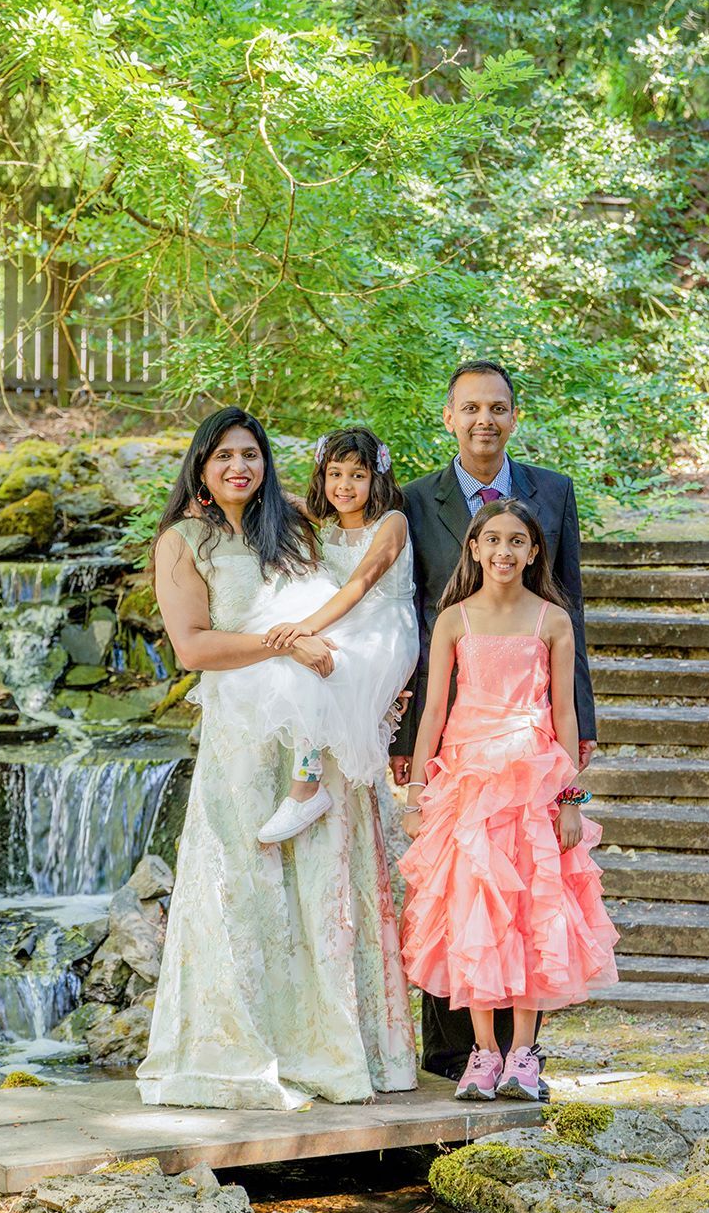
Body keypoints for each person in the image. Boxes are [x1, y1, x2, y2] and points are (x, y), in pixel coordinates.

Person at [136, 407, 417, 1111]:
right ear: (201, 466)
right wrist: (291, 644)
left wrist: (377, 682)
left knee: (323, 886)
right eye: (225, 455)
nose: (240, 467)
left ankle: (334, 1054)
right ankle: (241, 1050)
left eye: (251, 455)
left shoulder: (292, 525)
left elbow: (351, 602)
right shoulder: (182, 541)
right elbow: (194, 648)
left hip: (313, 732)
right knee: (244, 880)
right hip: (241, 738)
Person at [390, 358, 597, 1083]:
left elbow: (569, 607)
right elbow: (407, 617)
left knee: (530, 890)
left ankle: (524, 1056)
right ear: (449, 416)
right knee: (459, 891)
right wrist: (407, 739)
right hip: (457, 741)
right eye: (470, 408)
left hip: (532, 745)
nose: (485, 420)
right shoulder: (415, 500)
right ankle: (457, 1059)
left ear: (514, 415)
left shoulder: (555, 494)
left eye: (498, 408)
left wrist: (581, 737)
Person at [398, 499, 618, 1101]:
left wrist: (571, 797)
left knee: (529, 912)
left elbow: (567, 712)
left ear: (533, 551)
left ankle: (525, 1053)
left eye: (516, 541)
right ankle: (483, 1054)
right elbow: (434, 713)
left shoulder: (552, 620)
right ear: (473, 548)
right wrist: (418, 790)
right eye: (491, 540)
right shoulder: (453, 621)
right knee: (475, 912)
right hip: (468, 786)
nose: (503, 551)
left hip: (532, 783)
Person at [211, 425, 419, 844]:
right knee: (280, 658)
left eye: (358, 476)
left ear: (376, 479)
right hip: (343, 618)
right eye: (335, 473)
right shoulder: (326, 522)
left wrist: (304, 627)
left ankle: (305, 788)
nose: (344, 485)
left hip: (384, 626)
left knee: (320, 667)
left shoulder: (391, 523)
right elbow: (279, 499)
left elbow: (360, 585)